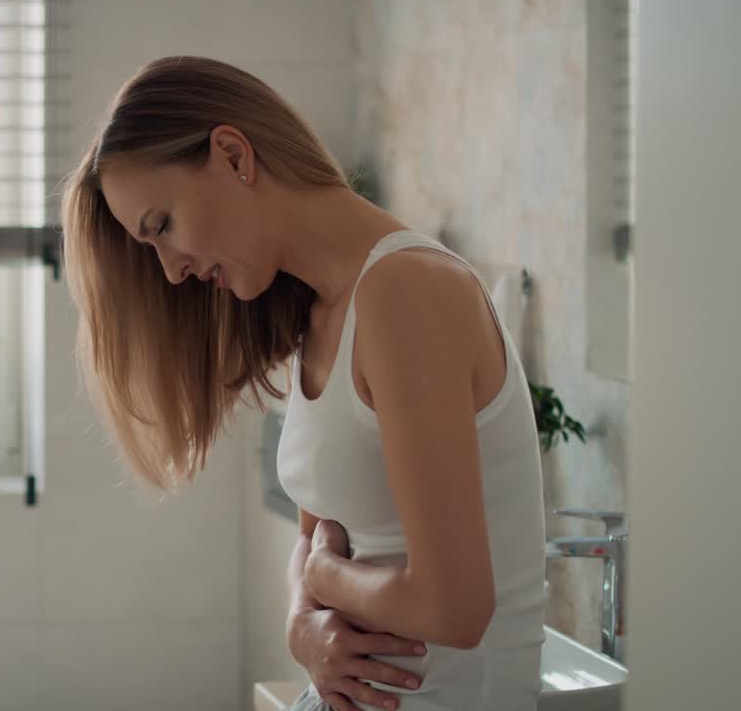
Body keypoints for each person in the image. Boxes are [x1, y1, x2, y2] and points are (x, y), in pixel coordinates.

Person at [59, 55, 546, 711]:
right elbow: (316, 535)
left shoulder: (407, 292)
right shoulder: (316, 314)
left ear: (233, 155)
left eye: (162, 227)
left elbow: (454, 607)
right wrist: (301, 624)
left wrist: (324, 579)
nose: (170, 271)